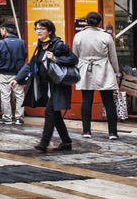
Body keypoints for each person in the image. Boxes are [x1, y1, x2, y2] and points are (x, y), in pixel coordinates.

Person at [17, 19, 79, 152]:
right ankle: (66, 142)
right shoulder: (40, 46)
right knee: (55, 115)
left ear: (50, 31)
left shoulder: (59, 45)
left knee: (49, 112)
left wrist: (55, 58)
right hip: (44, 86)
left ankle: (44, 143)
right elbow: (30, 64)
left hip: (57, 85)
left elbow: (74, 59)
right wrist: (17, 79)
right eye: (37, 29)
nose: (38, 31)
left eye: (42, 29)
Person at [73, 11, 121, 140]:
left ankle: (86, 130)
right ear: (100, 22)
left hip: (85, 69)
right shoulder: (106, 36)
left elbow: (75, 56)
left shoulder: (78, 36)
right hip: (104, 68)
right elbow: (113, 57)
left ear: (86, 21)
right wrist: (117, 73)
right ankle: (112, 132)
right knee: (109, 101)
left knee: (86, 100)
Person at [0, 22, 28, 126]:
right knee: (19, 95)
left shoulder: (0, 43)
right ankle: (19, 118)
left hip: (4, 73)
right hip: (18, 73)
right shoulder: (21, 42)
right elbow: (25, 56)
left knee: (5, 95)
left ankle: (7, 118)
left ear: (4, 30)